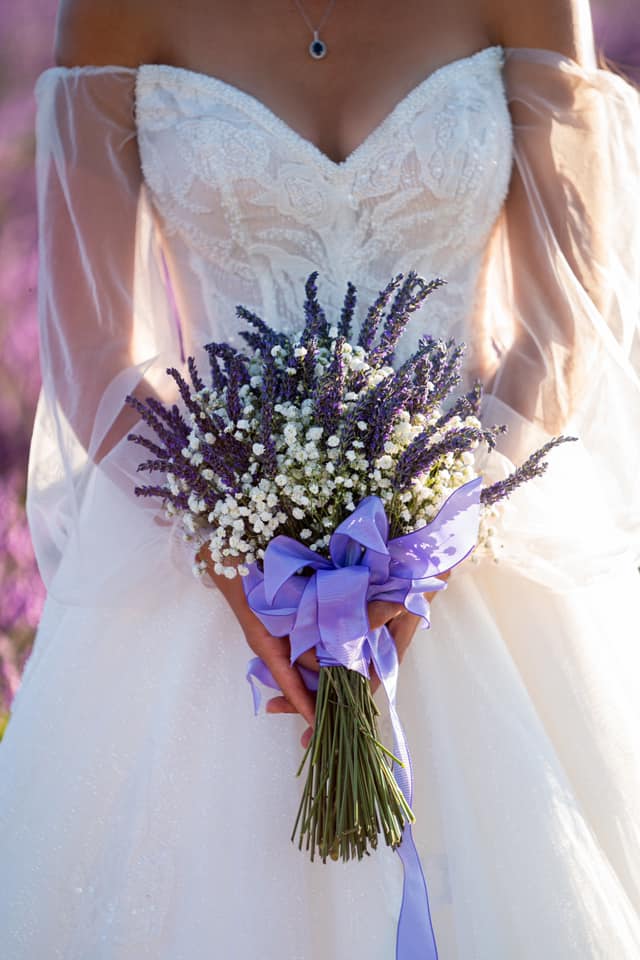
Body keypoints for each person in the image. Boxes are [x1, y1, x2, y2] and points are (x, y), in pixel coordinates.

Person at [1, 0, 639, 956]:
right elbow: (97, 343)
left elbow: (564, 317)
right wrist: (235, 556)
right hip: (209, 566)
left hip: (482, 538)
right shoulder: (112, 10)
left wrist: (432, 544)